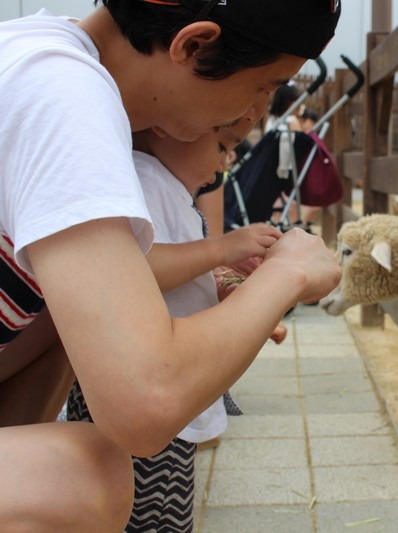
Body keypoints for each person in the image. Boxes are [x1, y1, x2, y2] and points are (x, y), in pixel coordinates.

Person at [0, 1, 341, 530]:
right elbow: (145, 406)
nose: (254, 113)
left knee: (78, 319)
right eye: (264, 84)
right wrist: (286, 274)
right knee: (87, 477)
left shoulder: (39, 57)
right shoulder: (62, 92)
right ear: (194, 44)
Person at [68, 121, 287, 532]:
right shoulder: (145, 180)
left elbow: (183, 278)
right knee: (148, 516)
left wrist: (238, 296)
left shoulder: (170, 189)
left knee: (166, 510)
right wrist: (222, 247)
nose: (226, 161)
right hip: (141, 396)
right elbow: (134, 267)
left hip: (165, 400)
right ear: (171, 129)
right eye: (221, 145)